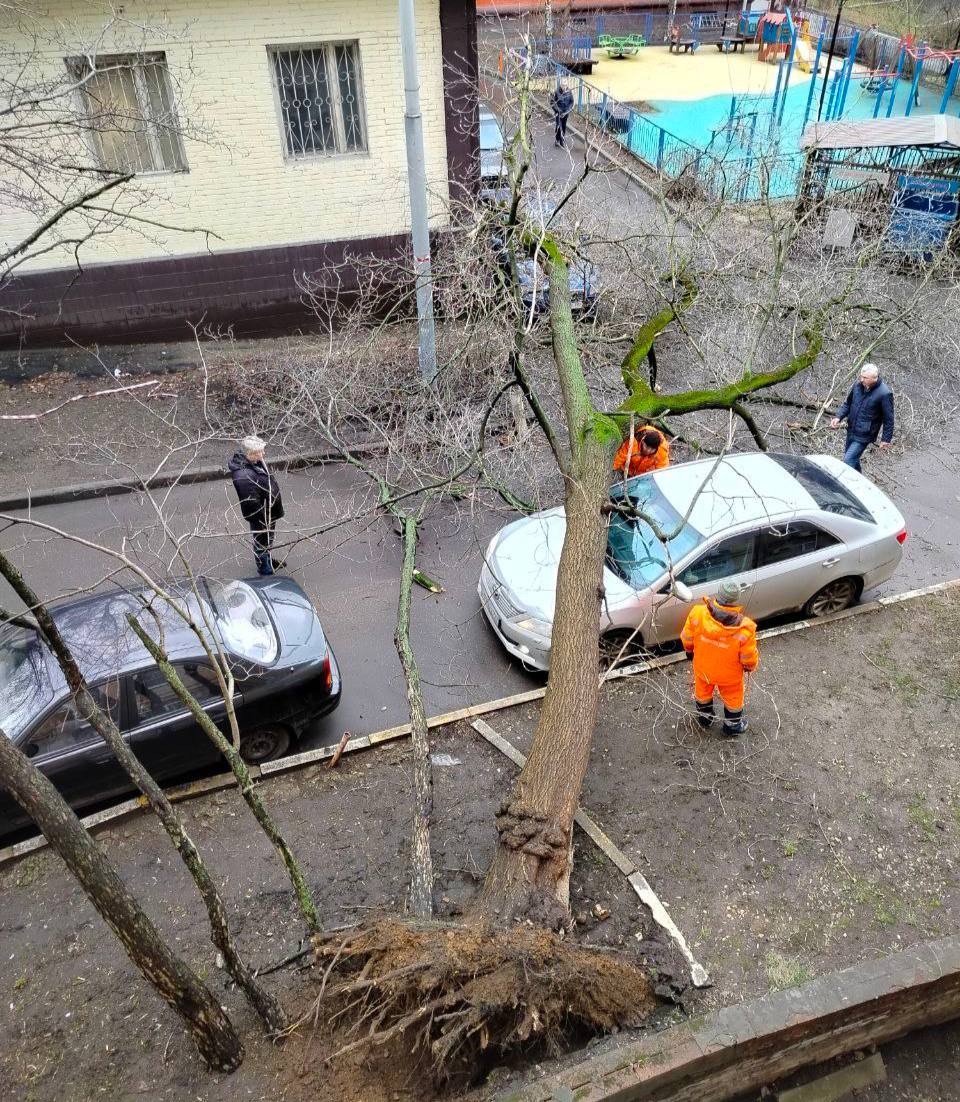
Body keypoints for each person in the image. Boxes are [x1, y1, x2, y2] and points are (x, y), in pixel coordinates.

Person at [680, 580, 759, 736]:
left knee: (702, 693)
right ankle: (732, 727)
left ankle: (705, 719)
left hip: (703, 668)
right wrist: (750, 667)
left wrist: (689, 652)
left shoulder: (697, 613)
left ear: (719, 594)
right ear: (735, 600)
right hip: (729, 675)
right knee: (733, 699)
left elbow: (686, 638)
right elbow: (748, 657)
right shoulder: (745, 627)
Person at [229, 435, 285, 576]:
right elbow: (251, 503)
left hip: (268, 511)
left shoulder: (255, 462)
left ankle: (268, 560)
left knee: (267, 539)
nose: (263, 454)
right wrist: (263, 518)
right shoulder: (244, 476)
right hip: (261, 516)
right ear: (250, 454)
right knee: (261, 541)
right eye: (260, 451)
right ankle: (264, 570)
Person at [830, 362, 894, 472]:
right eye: (861, 376)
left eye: (865, 378)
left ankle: (847, 485)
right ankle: (861, 482)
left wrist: (885, 439)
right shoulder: (857, 386)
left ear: (874, 378)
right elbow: (848, 404)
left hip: (865, 434)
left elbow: (889, 419)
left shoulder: (884, 393)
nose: (861, 380)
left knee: (848, 460)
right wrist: (838, 417)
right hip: (851, 429)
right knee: (852, 459)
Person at [550, 83, 573, 148]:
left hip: (565, 113)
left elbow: (571, 102)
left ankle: (561, 138)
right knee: (558, 126)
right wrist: (558, 110)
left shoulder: (569, 92)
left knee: (563, 126)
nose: (564, 86)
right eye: (563, 85)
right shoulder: (556, 92)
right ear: (561, 85)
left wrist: (568, 110)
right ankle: (559, 140)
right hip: (559, 113)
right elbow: (552, 102)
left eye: (566, 85)